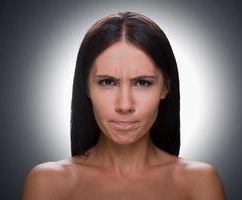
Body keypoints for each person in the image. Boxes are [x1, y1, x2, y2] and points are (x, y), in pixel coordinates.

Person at [22, 11, 226, 199]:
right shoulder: (49, 182)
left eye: (142, 83)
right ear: (86, 88)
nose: (125, 105)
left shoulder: (198, 182)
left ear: (165, 88)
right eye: (108, 82)